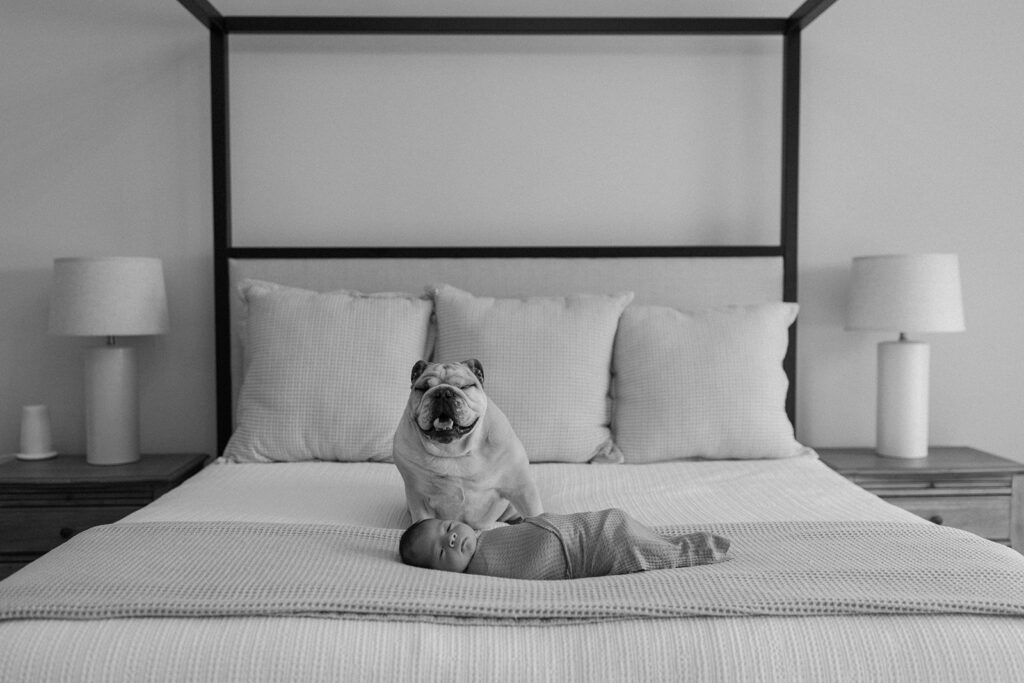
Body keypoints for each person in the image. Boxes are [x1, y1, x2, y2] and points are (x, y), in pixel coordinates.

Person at [398, 508, 730, 580]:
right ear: (439, 572)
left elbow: (520, 532)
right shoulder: (484, 571)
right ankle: (691, 551)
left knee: (621, 523)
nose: (453, 537)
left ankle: (671, 544)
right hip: (582, 552)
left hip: (581, 528)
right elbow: (530, 564)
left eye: (448, 527)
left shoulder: (484, 535)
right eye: (443, 549)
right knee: (631, 548)